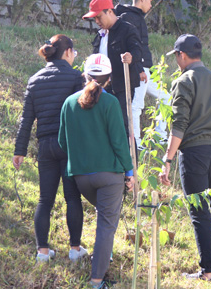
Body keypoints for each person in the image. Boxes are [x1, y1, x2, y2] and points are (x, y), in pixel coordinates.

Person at [159, 34, 211, 281]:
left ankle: (208, 271)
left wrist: (168, 159)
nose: (176, 61)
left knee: (199, 211)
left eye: (176, 56)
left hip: (194, 152)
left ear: (181, 56)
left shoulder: (184, 80)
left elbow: (179, 124)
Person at [58, 54, 135, 289]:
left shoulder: (69, 103)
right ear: (109, 78)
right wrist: (129, 172)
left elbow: (63, 142)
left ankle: (103, 258)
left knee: (104, 221)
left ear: (84, 74)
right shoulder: (110, 103)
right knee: (105, 225)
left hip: (81, 176)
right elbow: (120, 143)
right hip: (109, 175)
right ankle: (96, 281)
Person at [12, 34, 87, 263]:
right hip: (69, 145)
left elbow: (26, 119)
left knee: (45, 200)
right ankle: (75, 249)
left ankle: (42, 252)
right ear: (67, 52)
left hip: (45, 145)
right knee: (72, 198)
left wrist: (19, 150)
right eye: (74, 52)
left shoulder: (34, 79)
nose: (74, 57)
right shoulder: (76, 78)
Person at [115, 0, 170, 149]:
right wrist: (138, 68)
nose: (151, 6)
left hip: (146, 69)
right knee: (136, 104)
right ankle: (136, 142)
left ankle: (160, 135)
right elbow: (131, 45)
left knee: (166, 98)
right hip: (139, 69)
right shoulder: (129, 17)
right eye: (150, 1)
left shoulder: (137, 17)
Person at [84, 0, 143, 134]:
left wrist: (131, 57)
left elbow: (138, 52)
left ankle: (128, 154)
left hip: (122, 88)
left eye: (99, 17)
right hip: (100, 87)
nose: (97, 21)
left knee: (121, 125)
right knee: (102, 125)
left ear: (110, 12)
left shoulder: (128, 29)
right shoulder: (100, 34)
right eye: (95, 18)